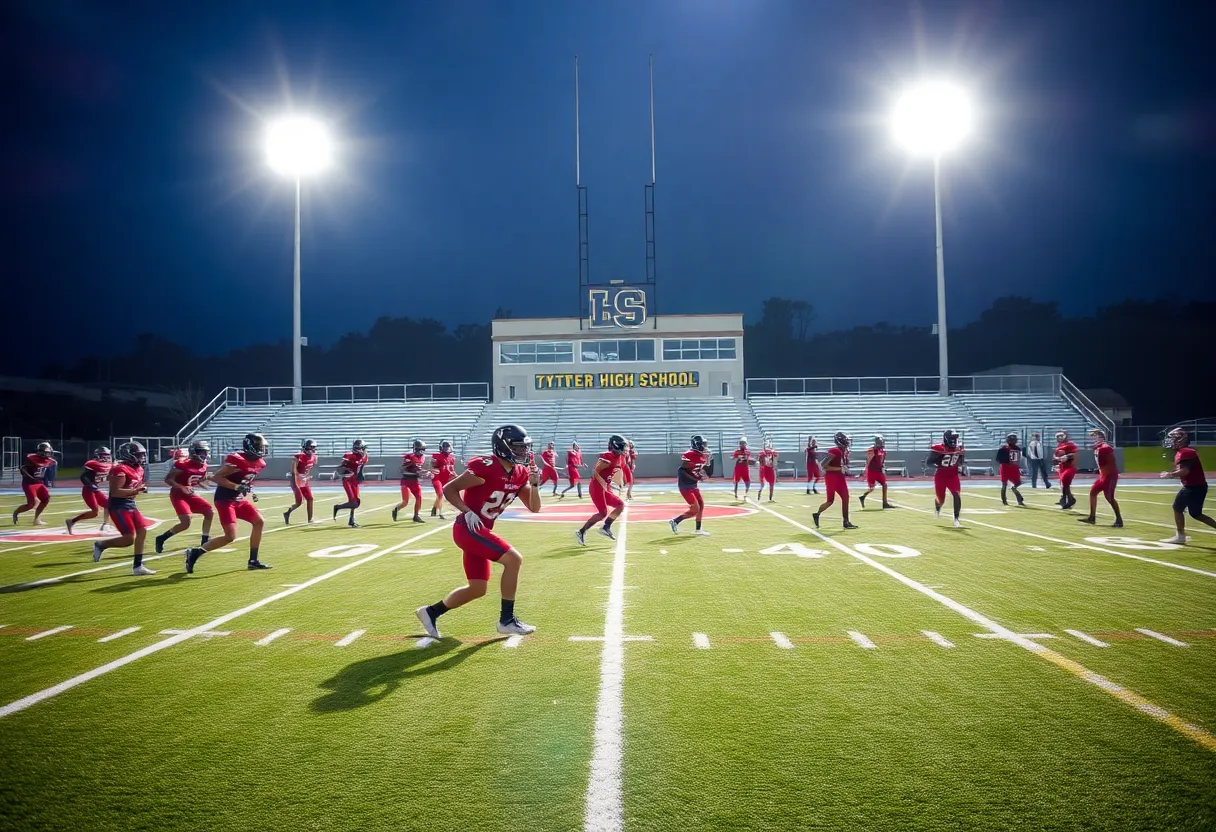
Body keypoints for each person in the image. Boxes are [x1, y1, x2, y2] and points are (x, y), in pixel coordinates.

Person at [415, 425, 540, 639]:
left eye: (525, 448)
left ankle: (430, 612)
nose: (524, 452)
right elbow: (449, 489)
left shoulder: (520, 473)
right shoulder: (486, 467)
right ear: (503, 447)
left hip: (480, 531)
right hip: (469, 528)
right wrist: (466, 510)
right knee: (514, 560)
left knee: (477, 589)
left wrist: (535, 485)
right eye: (519, 448)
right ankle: (507, 620)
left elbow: (534, 507)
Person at [184, 433, 271, 572]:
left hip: (238, 499)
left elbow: (245, 479)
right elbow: (216, 477)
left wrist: (249, 490)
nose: (264, 450)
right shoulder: (238, 460)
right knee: (230, 536)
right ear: (251, 447)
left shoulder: (260, 463)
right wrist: (236, 487)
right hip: (225, 499)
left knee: (259, 521)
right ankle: (195, 553)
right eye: (261, 447)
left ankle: (253, 560)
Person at [91, 442, 155, 574]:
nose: (142, 458)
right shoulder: (119, 469)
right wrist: (135, 491)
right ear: (128, 454)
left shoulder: (139, 469)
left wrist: (137, 490)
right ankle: (101, 545)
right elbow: (115, 492)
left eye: (143, 455)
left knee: (142, 531)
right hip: (118, 505)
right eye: (138, 455)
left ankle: (138, 566)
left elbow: (133, 487)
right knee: (128, 539)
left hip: (130, 503)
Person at [154, 440, 215, 553]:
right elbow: (168, 479)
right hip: (178, 494)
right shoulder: (182, 464)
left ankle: (204, 539)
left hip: (190, 494)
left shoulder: (204, 465)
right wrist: (181, 487)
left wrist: (204, 482)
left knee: (209, 512)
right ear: (194, 452)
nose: (205, 455)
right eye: (202, 452)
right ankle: (161, 538)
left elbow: (200, 478)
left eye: (205, 452)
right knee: (185, 522)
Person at [1160, 427, 1215, 545]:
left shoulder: (1186, 452)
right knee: (1189, 511)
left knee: (1186, 511)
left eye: (1173, 438)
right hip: (1194, 486)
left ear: (1181, 439)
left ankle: (1181, 536)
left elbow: (1185, 471)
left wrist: (1170, 474)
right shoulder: (1183, 452)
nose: (1171, 441)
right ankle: (1180, 536)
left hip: (1194, 487)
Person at [575, 435, 627, 545]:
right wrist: (602, 482)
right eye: (623, 446)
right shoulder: (607, 457)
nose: (625, 449)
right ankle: (581, 531)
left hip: (605, 487)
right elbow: (595, 471)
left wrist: (620, 483)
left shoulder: (621, 458)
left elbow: (617, 471)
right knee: (603, 512)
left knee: (620, 505)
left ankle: (606, 527)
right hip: (596, 486)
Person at [812, 432, 857, 529]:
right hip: (831, 477)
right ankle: (817, 514)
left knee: (846, 497)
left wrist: (846, 471)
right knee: (830, 501)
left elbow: (842, 466)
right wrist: (839, 469)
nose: (848, 442)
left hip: (840, 477)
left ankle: (846, 521)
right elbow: (823, 465)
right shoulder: (835, 451)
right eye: (846, 440)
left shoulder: (844, 451)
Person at [670, 434, 712, 535]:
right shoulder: (690, 454)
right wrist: (696, 478)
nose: (705, 447)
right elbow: (682, 471)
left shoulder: (702, 455)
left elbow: (697, 469)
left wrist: (701, 474)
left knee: (701, 505)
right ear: (697, 445)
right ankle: (675, 521)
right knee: (695, 509)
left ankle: (698, 529)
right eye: (703, 444)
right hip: (685, 486)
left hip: (693, 485)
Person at [1080, 429, 1122, 527]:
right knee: (1093, 492)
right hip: (1103, 475)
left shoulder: (1105, 447)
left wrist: (1109, 474)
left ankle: (1119, 520)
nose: (1093, 438)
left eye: (1095, 435)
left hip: (1109, 476)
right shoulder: (1098, 447)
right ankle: (1092, 517)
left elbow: (1107, 462)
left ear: (1101, 437)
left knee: (1109, 498)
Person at [66, 446, 112, 535]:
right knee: (95, 513)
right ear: (97, 456)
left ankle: (105, 524)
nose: (106, 458)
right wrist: (91, 485)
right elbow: (83, 477)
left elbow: (106, 477)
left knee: (108, 505)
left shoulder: (108, 465)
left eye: (107, 456)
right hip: (88, 490)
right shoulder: (92, 464)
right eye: (104, 456)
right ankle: (71, 521)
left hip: (96, 489)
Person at [927, 429, 965, 528]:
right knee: (941, 500)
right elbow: (929, 462)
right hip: (941, 475)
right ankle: (937, 507)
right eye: (953, 438)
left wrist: (960, 466)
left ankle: (956, 519)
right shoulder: (939, 448)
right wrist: (938, 466)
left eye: (955, 438)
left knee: (956, 494)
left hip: (953, 475)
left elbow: (960, 461)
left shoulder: (958, 448)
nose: (954, 440)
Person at [12, 442, 57, 526]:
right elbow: (23, 469)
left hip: (39, 483)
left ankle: (37, 519)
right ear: (41, 452)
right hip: (29, 483)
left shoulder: (49, 461)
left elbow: (47, 472)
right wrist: (29, 476)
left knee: (46, 499)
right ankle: (16, 512)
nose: (48, 454)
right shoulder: (32, 458)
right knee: (31, 504)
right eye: (46, 452)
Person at [333, 438, 370, 527]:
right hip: (348, 480)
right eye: (363, 448)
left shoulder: (365, 456)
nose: (365, 450)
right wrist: (338, 473)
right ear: (359, 448)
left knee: (356, 502)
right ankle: (337, 507)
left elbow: (361, 466)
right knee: (353, 502)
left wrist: (361, 474)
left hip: (355, 480)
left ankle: (351, 520)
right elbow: (340, 467)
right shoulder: (349, 456)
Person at [393, 439, 429, 523]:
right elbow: (402, 470)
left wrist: (425, 472)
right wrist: (416, 474)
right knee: (405, 502)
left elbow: (418, 470)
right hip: (406, 481)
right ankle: (396, 509)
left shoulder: (422, 457)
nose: (421, 452)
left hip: (414, 481)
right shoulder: (409, 457)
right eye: (420, 450)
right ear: (415, 449)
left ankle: (416, 515)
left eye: (422, 450)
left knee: (419, 497)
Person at [284, 439, 319, 524]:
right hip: (296, 480)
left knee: (310, 498)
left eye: (314, 447)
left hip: (303, 480)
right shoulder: (299, 457)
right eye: (312, 447)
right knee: (299, 502)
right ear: (307, 448)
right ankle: (287, 513)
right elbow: (294, 470)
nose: (314, 449)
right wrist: (298, 478)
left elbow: (308, 469)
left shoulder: (314, 457)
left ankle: (310, 519)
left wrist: (306, 477)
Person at [858, 434, 892, 510]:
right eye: (882, 442)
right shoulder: (872, 450)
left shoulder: (883, 451)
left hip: (878, 471)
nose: (883, 444)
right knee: (871, 488)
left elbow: (882, 461)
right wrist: (866, 469)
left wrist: (883, 466)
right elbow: (868, 460)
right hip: (872, 471)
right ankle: (863, 497)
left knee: (884, 485)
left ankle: (885, 503)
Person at [429, 439, 458, 519]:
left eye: (448, 447)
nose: (447, 449)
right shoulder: (436, 456)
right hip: (437, 478)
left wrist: (456, 476)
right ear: (441, 448)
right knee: (440, 494)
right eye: (445, 447)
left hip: (446, 479)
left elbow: (451, 470)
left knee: (440, 495)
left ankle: (434, 509)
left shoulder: (452, 458)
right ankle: (440, 513)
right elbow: (433, 466)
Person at [995, 433, 1026, 507]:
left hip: (1013, 467)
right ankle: (1004, 500)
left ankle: (1015, 492)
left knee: (1017, 483)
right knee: (1004, 484)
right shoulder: (1004, 448)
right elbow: (999, 459)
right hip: (1006, 467)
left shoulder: (1017, 448)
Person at [1053, 430, 1079, 510]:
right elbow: (1055, 457)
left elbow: (1075, 453)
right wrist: (1056, 462)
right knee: (1063, 484)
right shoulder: (1058, 446)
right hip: (1061, 467)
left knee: (1064, 483)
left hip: (1070, 466)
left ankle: (1066, 499)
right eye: (1058, 436)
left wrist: (1067, 456)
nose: (1059, 438)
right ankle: (1068, 499)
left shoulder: (1070, 444)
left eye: (1061, 436)